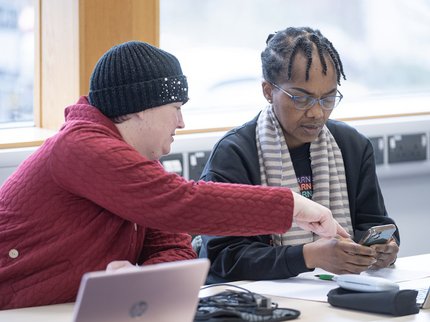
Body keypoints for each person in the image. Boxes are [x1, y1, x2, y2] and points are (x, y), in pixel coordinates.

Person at [0, 41, 348, 310]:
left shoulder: (138, 161)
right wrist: (294, 207)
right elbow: (183, 203)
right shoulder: (79, 147)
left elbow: (174, 246)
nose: (181, 123)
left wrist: (144, 279)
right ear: (139, 109)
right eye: (176, 109)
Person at [198, 27, 400, 284]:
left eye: (327, 99)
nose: (317, 113)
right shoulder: (235, 154)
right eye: (301, 99)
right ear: (268, 91)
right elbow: (223, 258)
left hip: (337, 296)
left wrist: (384, 249)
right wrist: (307, 256)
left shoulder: (352, 146)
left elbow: (374, 223)